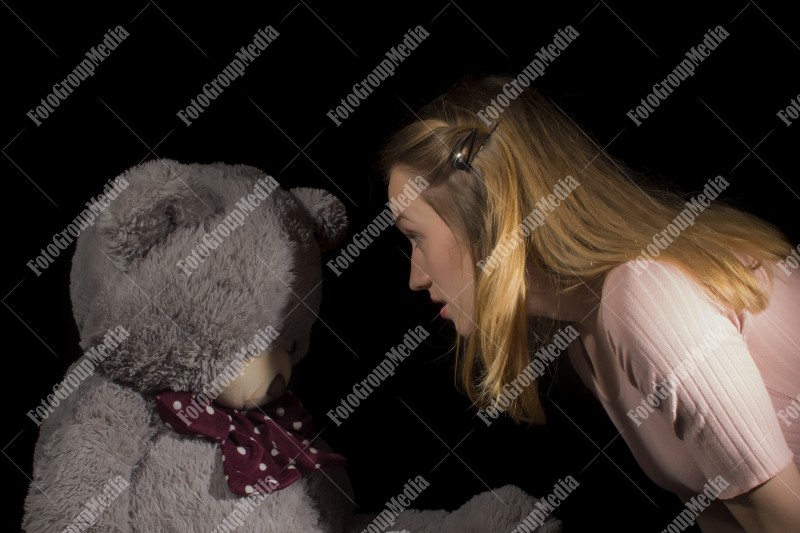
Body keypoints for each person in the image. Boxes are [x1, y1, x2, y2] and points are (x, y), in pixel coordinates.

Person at [377, 75, 800, 532]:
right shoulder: (586, 336)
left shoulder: (644, 297)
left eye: (415, 236)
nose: (416, 277)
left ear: (489, 219)